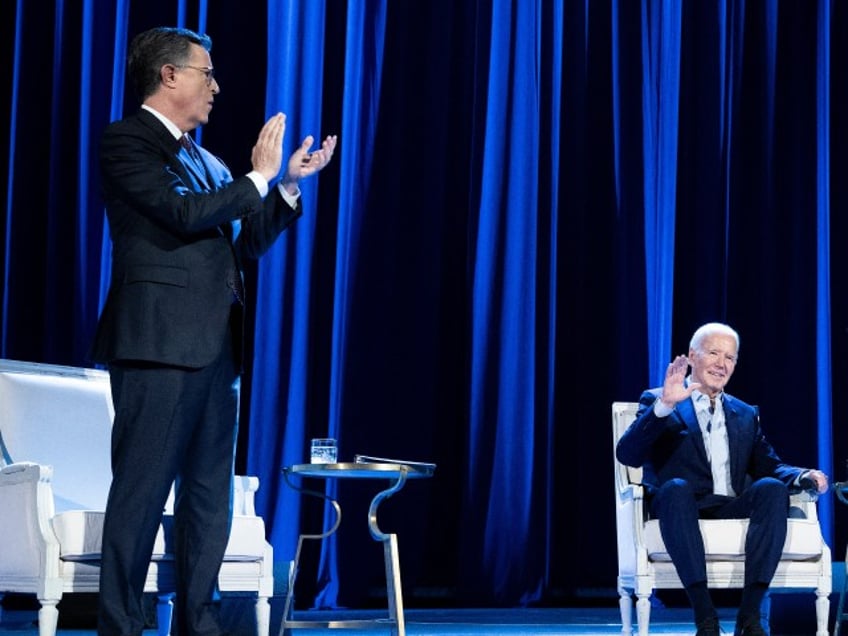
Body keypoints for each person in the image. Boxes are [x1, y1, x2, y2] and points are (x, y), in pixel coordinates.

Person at [89, 26, 337, 635]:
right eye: (206, 74)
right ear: (169, 76)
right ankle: (120, 624)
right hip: (157, 347)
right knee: (141, 493)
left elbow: (242, 241)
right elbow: (181, 214)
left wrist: (283, 187)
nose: (217, 87)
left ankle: (199, 624)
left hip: (218, 351)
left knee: (209, 500)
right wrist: (254, 178)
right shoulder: (129, 143)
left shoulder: (208, 160)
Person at [616, 322, 828, 636]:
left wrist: (802, 475)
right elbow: (628, 455)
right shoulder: (659, 401)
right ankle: (705, 617)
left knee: (770, 489)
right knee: (675, 488)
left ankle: (749, 616)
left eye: (729, 357)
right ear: (691, 356)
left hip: (729, 504)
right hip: (680, 506)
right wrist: (665, 406)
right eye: (713, 353)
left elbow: (770, 466)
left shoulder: (744, 413)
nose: (721, 363)